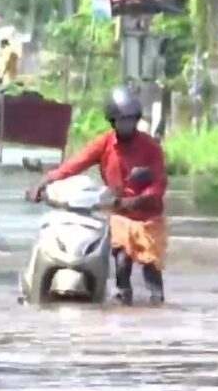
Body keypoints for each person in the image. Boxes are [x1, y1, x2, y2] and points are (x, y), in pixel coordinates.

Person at [26, 86, 169, 305]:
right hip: (120, 212)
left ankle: (157, 303)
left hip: (148, 215)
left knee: (151, 266)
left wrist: (136, 200)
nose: (127, 125)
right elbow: (75, 164)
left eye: (131, 120)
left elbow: (159, 185)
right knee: (121, 260)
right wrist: (45, 181)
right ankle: (123, 298)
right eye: (122, 120)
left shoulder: (151, 148)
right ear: (112, 121)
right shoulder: (104, 144)